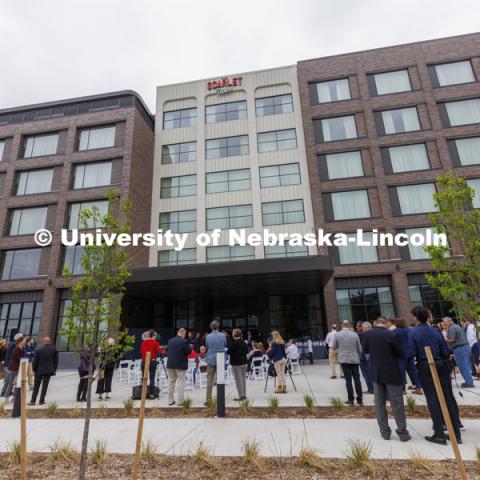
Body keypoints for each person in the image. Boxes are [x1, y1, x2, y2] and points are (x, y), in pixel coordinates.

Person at [409, 306, 462, 445]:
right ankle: (456, 433)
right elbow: (445, 350)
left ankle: (439, 433)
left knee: (432, 399)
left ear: (415, 317)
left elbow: (411, 352)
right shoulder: (436, 331)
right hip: (442, 365)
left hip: (425, 366)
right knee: (448, 398)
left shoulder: (414, 332)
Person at [363, 316, 411, 442]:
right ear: (386, 323)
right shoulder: (391, 335)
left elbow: (365, 350)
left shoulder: (368, 335)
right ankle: (402, 432)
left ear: (376, 323)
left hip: (376, 373)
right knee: (397, 403)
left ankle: (384, 431)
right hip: (391, 372)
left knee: (379, 403)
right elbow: (400, 353)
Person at [333, 320, 363, 406]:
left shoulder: (337, 334)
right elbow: (360, 349)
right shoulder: (355, 334)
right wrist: (358, 357)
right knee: (357, 380)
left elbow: (334, 346)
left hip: (344, 359)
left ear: (342, 325)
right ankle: (360, 400)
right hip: (354, 359)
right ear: (349, 325)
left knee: (348, 380)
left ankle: (351, 399)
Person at [443, 317, 474, 388]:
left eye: (445, 322)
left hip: (460, 349)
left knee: (463, 366)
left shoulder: (452, 328)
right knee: (466, 366)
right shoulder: (456, 326)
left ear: (449, 321)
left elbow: (451, 339)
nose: (444, 324)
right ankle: (469, 381)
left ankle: (469, 383)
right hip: (465, 347)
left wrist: (444, 338)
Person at [166, 328, 192, 406]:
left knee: (171, 382)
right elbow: (189, 351)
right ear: (183, 333)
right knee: (180, 382)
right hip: (180, 365)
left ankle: (170, 400)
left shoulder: (170, 341)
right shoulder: (184, 341)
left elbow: (167, 351)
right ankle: (180, 401)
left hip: (170, 364)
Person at [29, 336, 58, 405]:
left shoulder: (38, 350)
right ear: (50, 341)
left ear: (44, 342)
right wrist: (54, 369)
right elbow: (56, 361)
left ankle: (33, 401)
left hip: (39, 370)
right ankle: (41, 401)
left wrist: (34, 369)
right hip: (48, 370)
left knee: (36, 386)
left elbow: (34, 361)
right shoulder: (54, 349)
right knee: (45, 386)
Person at [205, 320, 226, 405]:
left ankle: (208, 399)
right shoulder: (223, 335)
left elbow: (207, 346)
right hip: (220, 358)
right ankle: (221, 398)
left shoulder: (208, 336)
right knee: (220, 379)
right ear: (218, 326)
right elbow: (224, 345)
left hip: (211, 359)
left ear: (211, 327)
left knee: (210, 380)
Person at [140, 329, 165, 399]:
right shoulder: (154, 342)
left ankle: (143, 393)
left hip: (144, 361)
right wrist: (163, 351)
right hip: (152, 361)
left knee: (144, 377)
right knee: (152, 377)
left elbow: (141, 351)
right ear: (153, 335)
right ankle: (151, 394)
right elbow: (160, 351)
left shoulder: (144, 342)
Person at [1, 333, 26, 400]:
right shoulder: (16, 348)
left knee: (17, 383)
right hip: (13, 369)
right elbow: (19, 358)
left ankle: (14, 397)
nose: (25, 341)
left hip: (17, 368)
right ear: (20, 341)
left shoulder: (21, 348)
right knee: (11, 383)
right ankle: (6, 398)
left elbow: (22, 357)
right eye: (24, 340)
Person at [227, 329, 248, 401]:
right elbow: (246, 351)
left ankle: (241, 396)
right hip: (244, 362)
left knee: (238, 380)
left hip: (236, 364)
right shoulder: (244, 342)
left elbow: (228, 352)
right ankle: (244, 394)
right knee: (243, 379)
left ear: (234, 335)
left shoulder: (234, 343)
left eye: (232, 333)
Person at [357, 322, 373, 394]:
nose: (362, 329)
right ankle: (371, 388)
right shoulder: (373, 334)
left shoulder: (361, 334)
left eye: (363, 328)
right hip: (371, 356)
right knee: (370, 373)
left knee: (366, 373)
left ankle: (371, 389)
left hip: (364, 357)